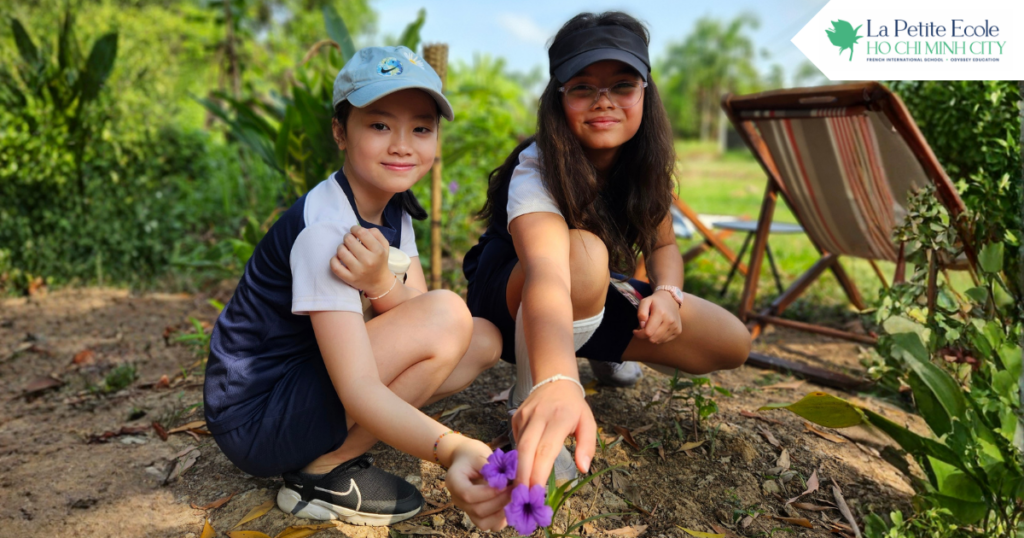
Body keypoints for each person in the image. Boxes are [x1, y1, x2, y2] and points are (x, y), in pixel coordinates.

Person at [204, 46, 510, 530]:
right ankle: (317, 473)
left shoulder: (394, 206)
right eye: (380, 125)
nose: (403, 145)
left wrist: (380, 283)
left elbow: (415, 308)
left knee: (481, 338)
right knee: (450, 317)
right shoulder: (325, 231)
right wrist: (449, 447)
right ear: (339, 132)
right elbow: (362, 384)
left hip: (306, 379)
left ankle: (325, 449)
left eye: (422, 128)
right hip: (257, 416)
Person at [462, 12, 752, 487]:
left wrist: (668, 294)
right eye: (582, 87)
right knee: (584, 254)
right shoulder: (537, 168)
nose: (604, 102)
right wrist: (559, 383)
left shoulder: (644, 165)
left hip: (588, 290)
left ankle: (598, 348)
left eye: (622, 85)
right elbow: (550, 272)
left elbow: (664, 247)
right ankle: (531, 402)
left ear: (645, 92)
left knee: (730, 340)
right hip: (512, 298)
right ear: (559, 99)